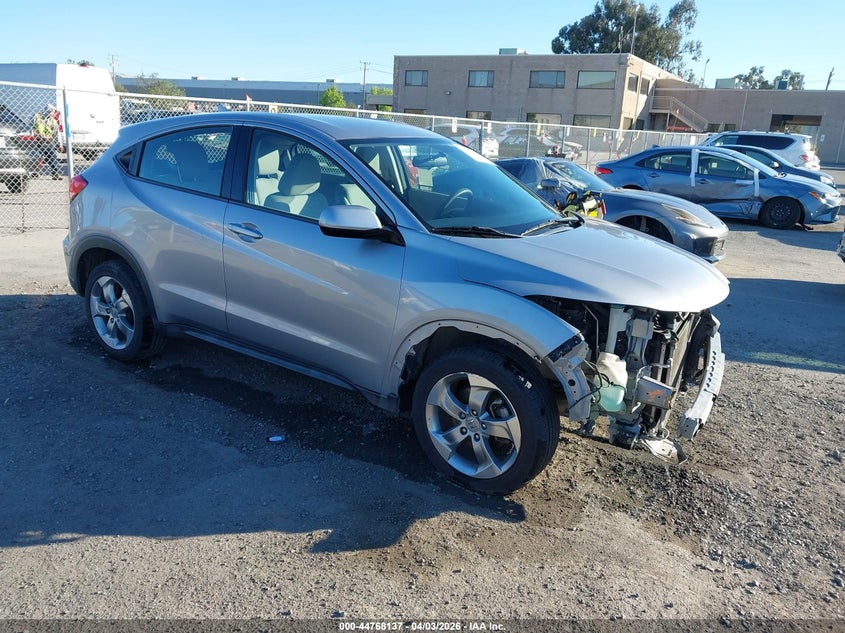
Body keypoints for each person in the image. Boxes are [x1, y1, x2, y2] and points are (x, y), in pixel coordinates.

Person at [33, 105, 63, 179]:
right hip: (39, 141)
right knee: (36, 157)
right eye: (52, 112)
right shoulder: (38, 119)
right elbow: (34, 129)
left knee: (52, 157)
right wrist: (40, 136)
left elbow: (56, 133)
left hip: (49, 141)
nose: (53, 113)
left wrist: (60, 144)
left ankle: (55, 174)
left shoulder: (53, 121)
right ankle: (34, 172)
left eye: (54, 112)